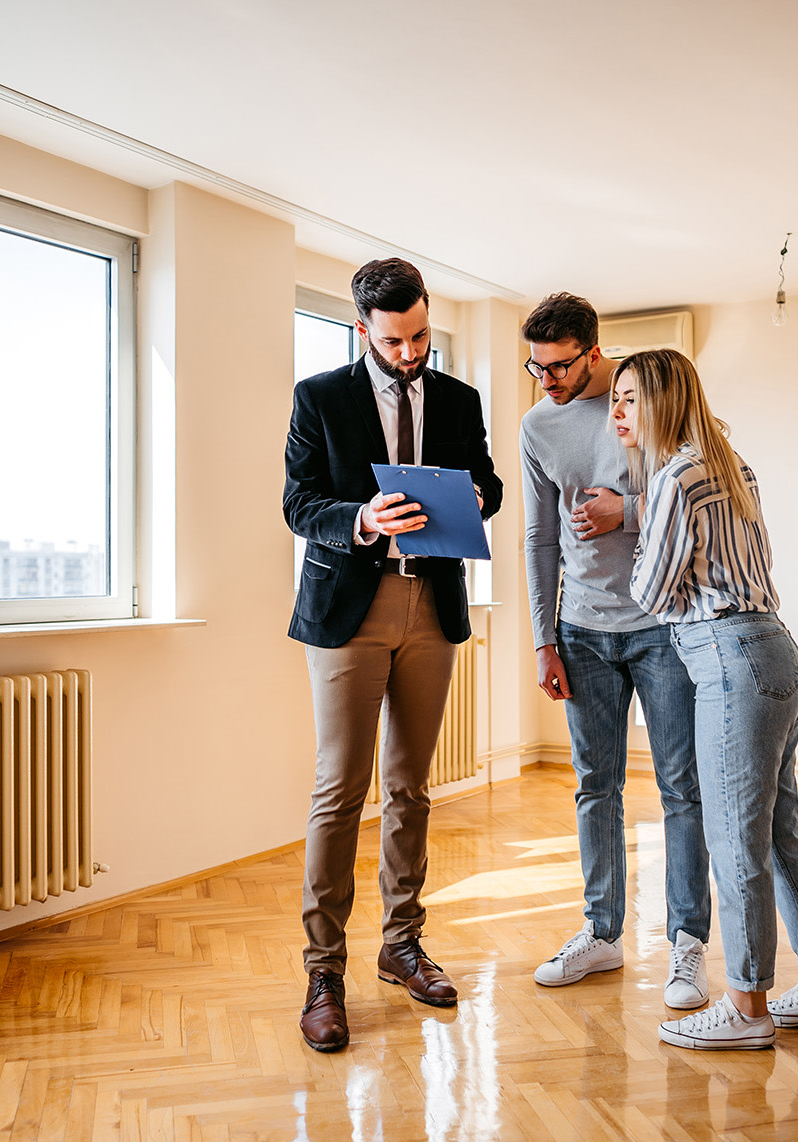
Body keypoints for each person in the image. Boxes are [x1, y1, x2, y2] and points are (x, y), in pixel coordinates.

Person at [283, 257, 504, 1052]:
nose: (411, 353)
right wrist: (364, 519)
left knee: (412, 786)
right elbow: (298, 502)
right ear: (361, 329)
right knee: (339, 791)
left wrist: (480, 495)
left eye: (419, 337)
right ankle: (322, 970)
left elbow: (488, 482)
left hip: (432, 604)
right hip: (349, 610)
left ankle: (400, 943)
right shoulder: (318, 397)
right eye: (395, 340)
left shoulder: (458, 398)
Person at [613, 348, 798, 1050]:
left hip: (727, 659)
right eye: (615, 400)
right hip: (773, 650)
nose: (618, 413)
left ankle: (746, 1006)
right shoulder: (727, 462)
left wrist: (640, 557)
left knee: (735, 840)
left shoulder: (674, 476)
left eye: (630, 398)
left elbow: (653, 593)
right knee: (781, 833)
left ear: (663, 401)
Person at [517, 294, 712, 1009]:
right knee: (594, 786)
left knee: (680, 789)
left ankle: (686, 946)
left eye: (559, 366)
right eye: (535, 367)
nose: (546, 379)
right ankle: (601, 934)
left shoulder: (644, 405)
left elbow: (701, 488)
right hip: (582, 632)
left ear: (593, 353)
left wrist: (622, 510)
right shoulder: (536, 425)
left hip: (663, 625)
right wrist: (543, 638)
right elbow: (539, 539)